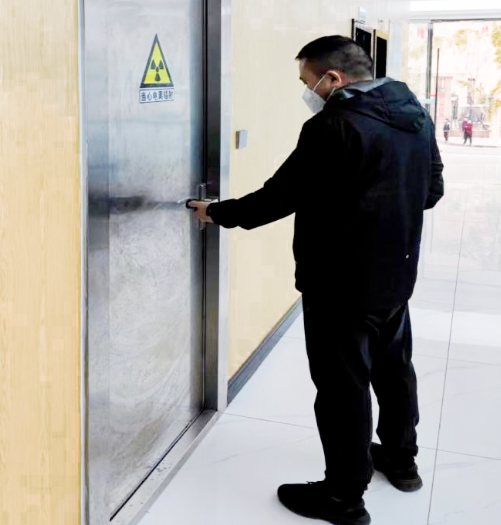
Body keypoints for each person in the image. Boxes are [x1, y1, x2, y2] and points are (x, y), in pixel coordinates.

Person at [187, 35, 444, 525]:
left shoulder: (333, 125)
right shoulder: (413, 112)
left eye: (308, 81)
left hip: (339, 282)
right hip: (396, 272)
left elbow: (279, 197)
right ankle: (401, 460)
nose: (308, 90)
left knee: (342, 386)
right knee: (393, 370)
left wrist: (218, 213)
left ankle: (344, 497)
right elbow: (432, 189)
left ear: (334, 78)